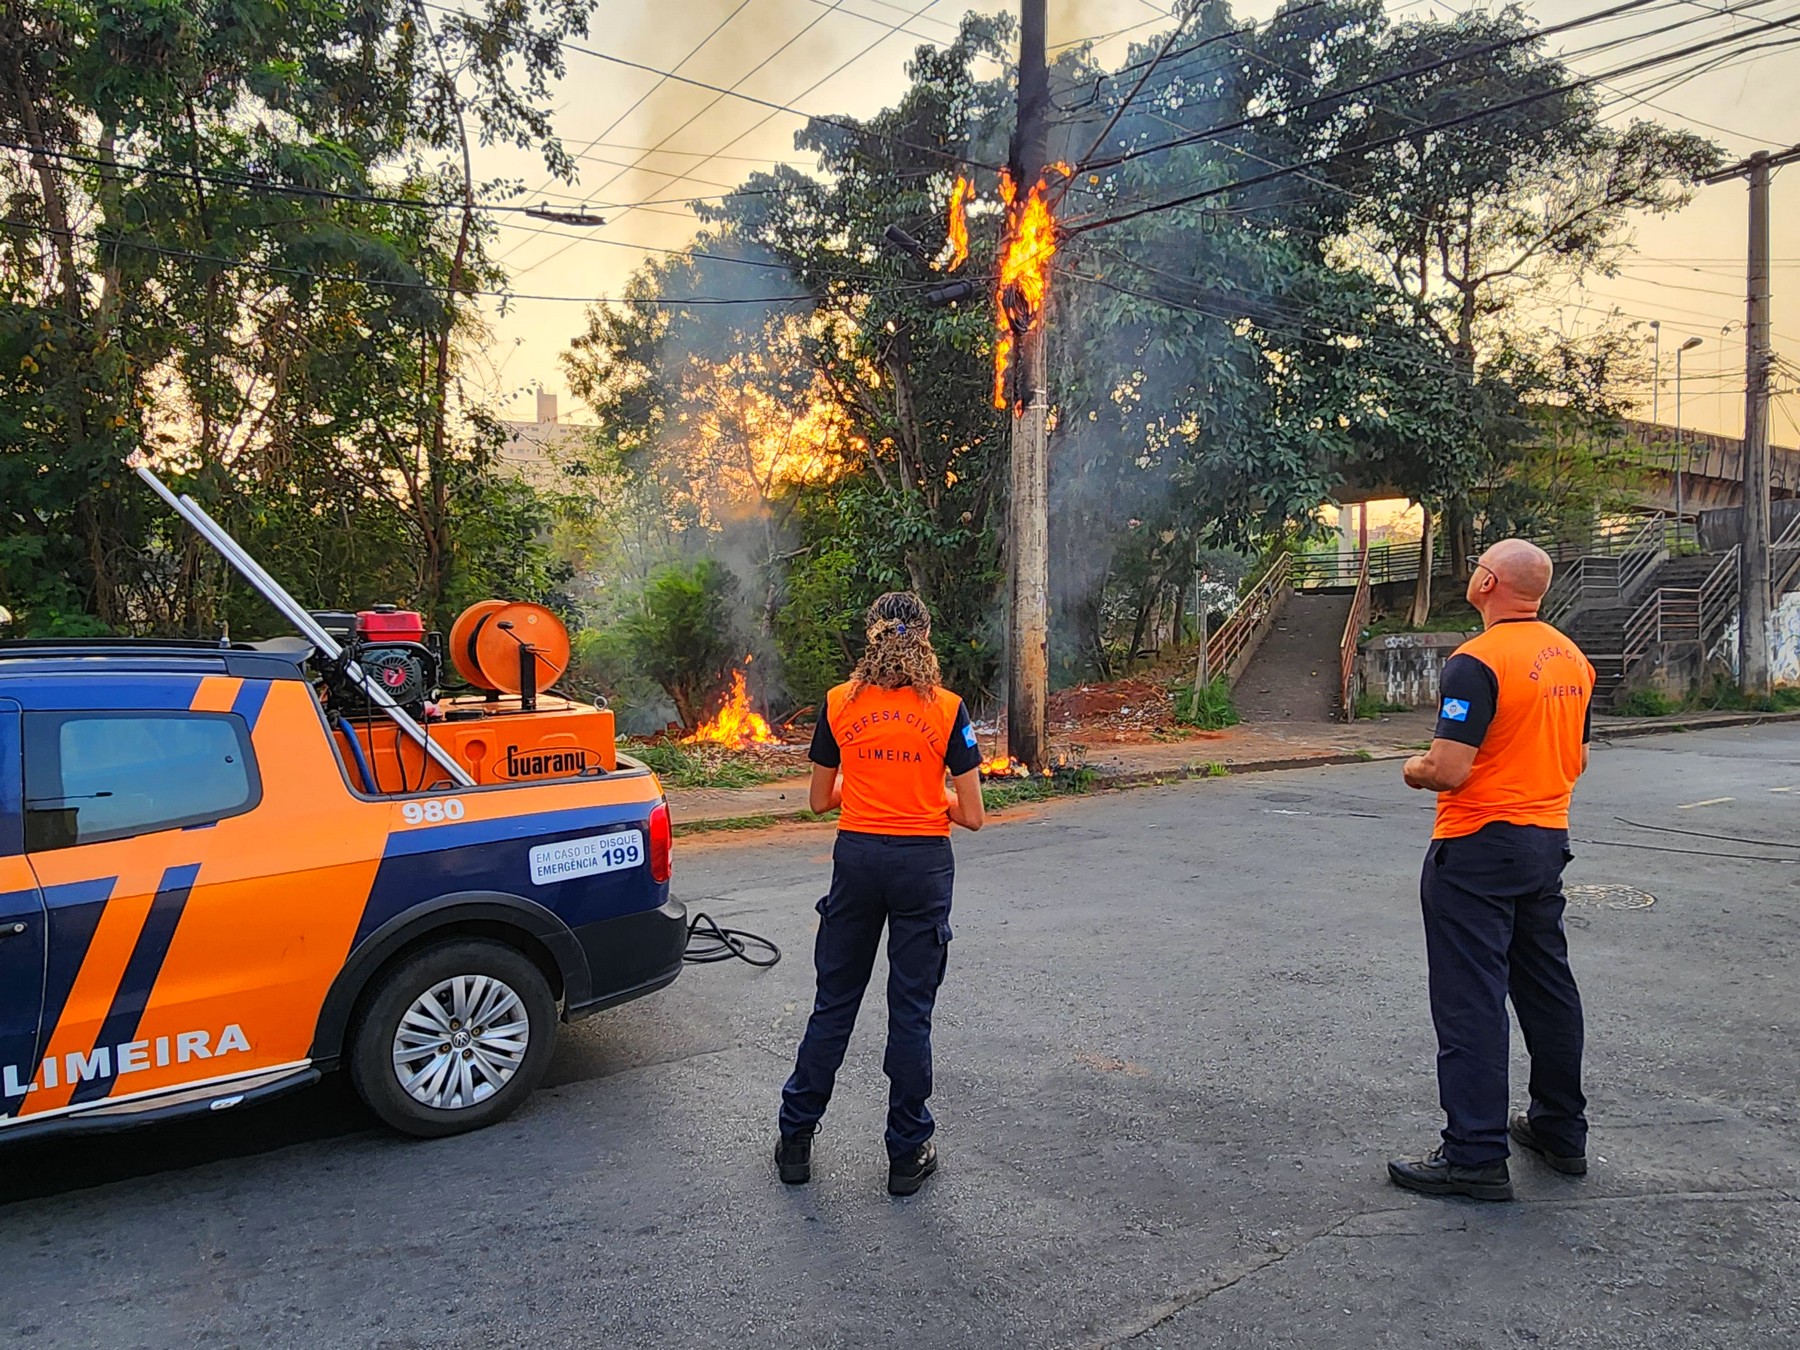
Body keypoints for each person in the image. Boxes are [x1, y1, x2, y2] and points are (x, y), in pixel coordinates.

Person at [1387, 538, 1596, 1202]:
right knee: (1547, 988)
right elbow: (1578, 758)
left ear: (1487, 582)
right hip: (1545, 841)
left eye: (1478, 566)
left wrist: (1411, 767)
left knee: (1470, 997)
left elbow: (1449, 770)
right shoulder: (1573, 659)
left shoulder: (1476, 662)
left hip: (1477, 846)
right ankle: (1561, 1131)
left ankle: (1474, 1153)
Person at [776, 592, 986, 1196]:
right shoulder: (946, 709)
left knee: (834, 1001)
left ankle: (796, 1138)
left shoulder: (840, 703)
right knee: (911, 1009)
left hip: (857, 858)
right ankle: (906, 1152)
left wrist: (868, 784)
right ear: (924, 639)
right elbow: (971, 813)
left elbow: (821, 798)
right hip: (921, 863)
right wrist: (925, 795)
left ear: (871, 638)